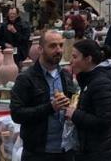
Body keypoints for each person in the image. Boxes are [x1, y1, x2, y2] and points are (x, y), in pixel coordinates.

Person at [10, 29, 76, 161]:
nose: (58, 50)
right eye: (52, 46)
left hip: (66, 150)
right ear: (40, 49)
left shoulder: (65, 76)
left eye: (60, 45)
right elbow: (17, 114)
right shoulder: (26, 78)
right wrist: (50, 107)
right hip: (38, 152)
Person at [64, 40, 111, 161]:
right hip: (88, 147)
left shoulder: (101, 83)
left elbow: (105, 121)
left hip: (100, 151)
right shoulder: (87, 81)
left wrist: (75, 114)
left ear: (88, 59)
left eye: (74, 57)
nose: (71, 61)